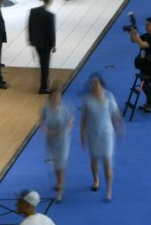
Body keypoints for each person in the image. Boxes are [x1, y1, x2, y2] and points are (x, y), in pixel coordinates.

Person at [80, 74, 122, 202]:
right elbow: (83, 119)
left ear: (101, 84)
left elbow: (115, 114)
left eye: (96, 83)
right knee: (94, 159)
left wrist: (119, 128)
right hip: (93, 134)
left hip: (106, 134)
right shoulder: (87, 99)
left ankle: (109, 190)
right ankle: (96, 179)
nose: (93, 86)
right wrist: (82, 136)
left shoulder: (109, 96)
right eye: (91, 84)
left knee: (107, 161)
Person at [40, 89, 72, 203]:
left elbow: (70, 122)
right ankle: (58, 181)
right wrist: (47, 131)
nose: (56, 98)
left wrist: (65, 132)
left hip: (62, 141)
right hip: (51, 140)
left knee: (61, 165)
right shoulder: (46, 108)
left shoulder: (64, 109)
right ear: (50, 97)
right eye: (54, 96)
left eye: (58, 96)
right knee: (55, 164)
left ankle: (60, 193)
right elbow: (41, 122)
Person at [28, 0, 57, 94]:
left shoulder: (33, 11)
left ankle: (44, 82)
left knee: (42, 63)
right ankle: (44, 87)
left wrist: (31, 40)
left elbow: (30, 26)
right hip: (46, 45)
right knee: (45, 66)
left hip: (37, 43)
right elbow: (51, 32)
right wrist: (53, 45)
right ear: (49, 1)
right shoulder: (50, 15)